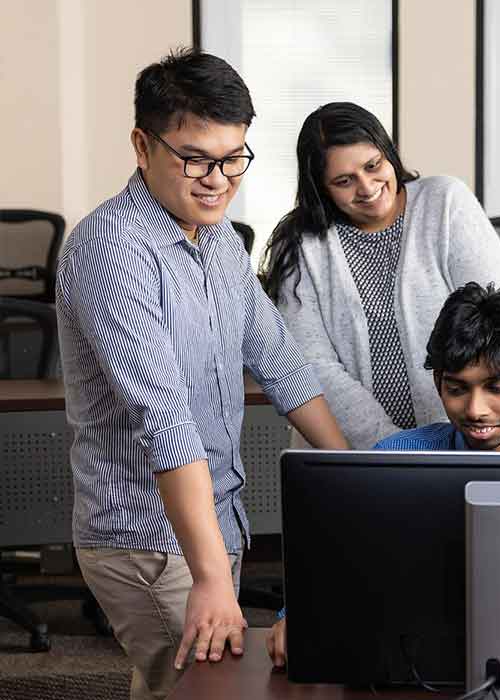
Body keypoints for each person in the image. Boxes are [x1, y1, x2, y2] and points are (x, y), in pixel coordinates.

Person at [55, 49, 348, 700]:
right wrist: (212, 579)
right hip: (150, 539)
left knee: (179, 687)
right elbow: (167, 423)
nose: (218, 179)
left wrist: (356, 473)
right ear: (142, 144)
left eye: (233, 157)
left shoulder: (215, 239)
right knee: (210, 692)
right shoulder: (113, 249)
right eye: (196, 158)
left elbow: (278, 358)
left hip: (214, 524)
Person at [266, 282, 500, 666]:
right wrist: (291, 615)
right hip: (414, 657)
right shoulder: (394, 459)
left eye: (496, 387)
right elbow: (333, 561)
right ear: (437, 383)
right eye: (457, 389)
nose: (476, 409)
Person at [261, 103, 500, 450]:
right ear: (321, 187)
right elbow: (312, 364)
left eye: (372, 165)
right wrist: (390, 449)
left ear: (387, 151)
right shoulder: (299, 244)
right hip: (349, 452)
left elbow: (497, 318)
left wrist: (443, 442)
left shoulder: (445, 203)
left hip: (460, 442)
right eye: (344, 180)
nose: (366, 187)